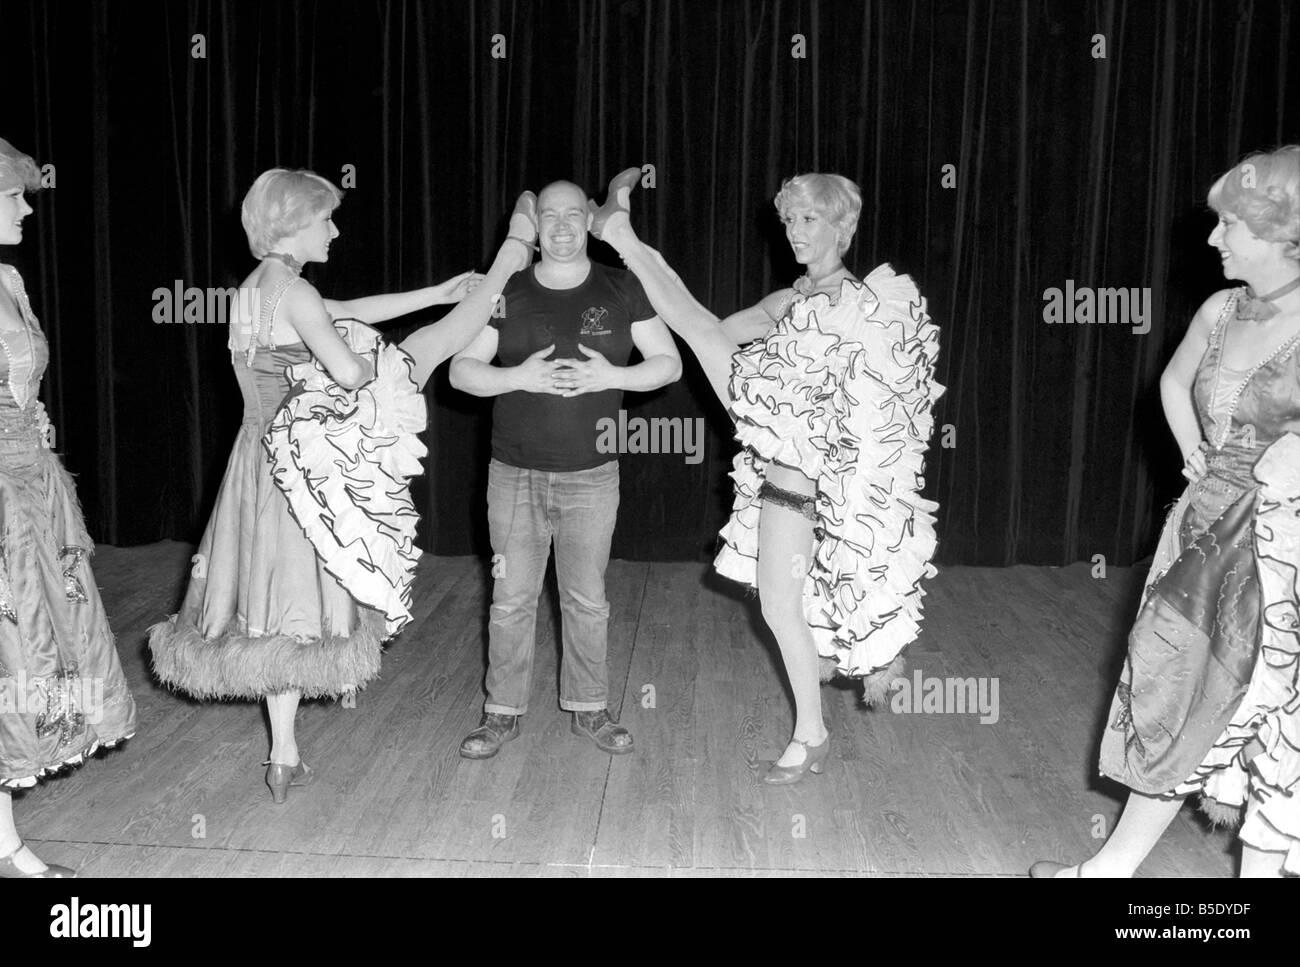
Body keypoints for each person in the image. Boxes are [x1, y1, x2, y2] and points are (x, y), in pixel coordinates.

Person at [149, 168, 534, 802]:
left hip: (255, 463)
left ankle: (284, 753)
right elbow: (351, 370)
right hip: (302, 461)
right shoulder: (295, 292)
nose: (335, 229)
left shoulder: (255, 288)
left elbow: (346, 309)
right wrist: (362, 355)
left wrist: (434, 288)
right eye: (325, 219)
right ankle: (510, 259)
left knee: (277, 613)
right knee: (425, 352)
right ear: (295, 226)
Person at [588, 169, 942, 783]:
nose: (795, 233)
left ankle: (618, 228)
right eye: (789, 221)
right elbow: (713, 333)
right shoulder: (789, 301)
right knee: (779, 610)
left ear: (844, 226)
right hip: (780, 482)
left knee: (792, 611)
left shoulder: (868, 309)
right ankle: (812, 735)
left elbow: (892, 426)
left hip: (825, 490)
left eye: (809, 220)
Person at [1033, 146, 1300, 878]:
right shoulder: (1220, 310)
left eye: (1228, 225)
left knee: (1276, 714)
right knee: (1173, 686)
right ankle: (1111, 868)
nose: (1211, 239)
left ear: (1287, 235)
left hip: (1283, 548)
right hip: (1203, 525)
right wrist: (1194, 452)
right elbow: (1175, 382)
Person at [450, 179, 681, 759]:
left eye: (571, 215)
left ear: (588, 221)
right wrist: (514, 377)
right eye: (548, 216)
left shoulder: (623, 288)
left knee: (586, 598)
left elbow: (669, 364)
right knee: (510, 599)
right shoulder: (506, 290)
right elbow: (459, 370)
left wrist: (615, 378)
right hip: (513, 475)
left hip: (593, 475)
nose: (559, 226)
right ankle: (500, 712)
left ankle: (590, 707)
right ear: (535, 225)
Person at [0, 137, 137, 876]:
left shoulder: (10, 279)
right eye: (14, 194)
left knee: (20, 663)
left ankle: (6, 845)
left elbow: (27, 386)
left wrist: (37, 426)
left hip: (30, 493)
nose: (27, 205)